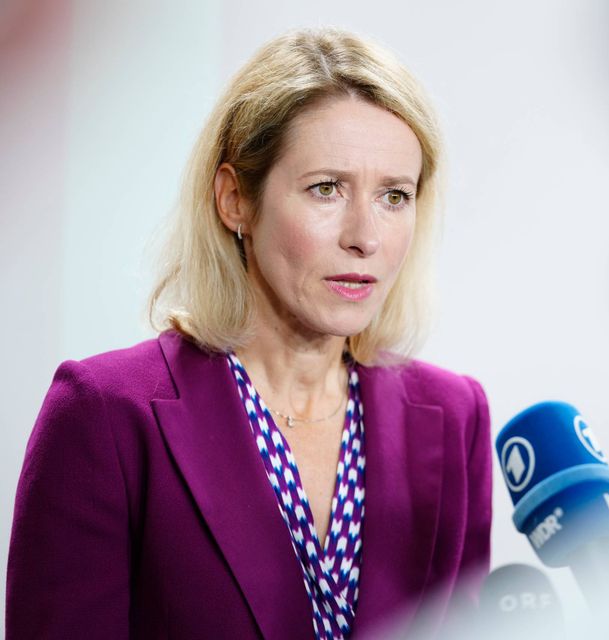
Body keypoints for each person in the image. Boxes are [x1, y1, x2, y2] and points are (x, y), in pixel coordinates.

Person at [6, 27, 492, 639]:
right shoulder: (106, 414)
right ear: (235, 199)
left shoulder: (454, 415)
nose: (365, 237)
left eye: (394, 196)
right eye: (326, 189)